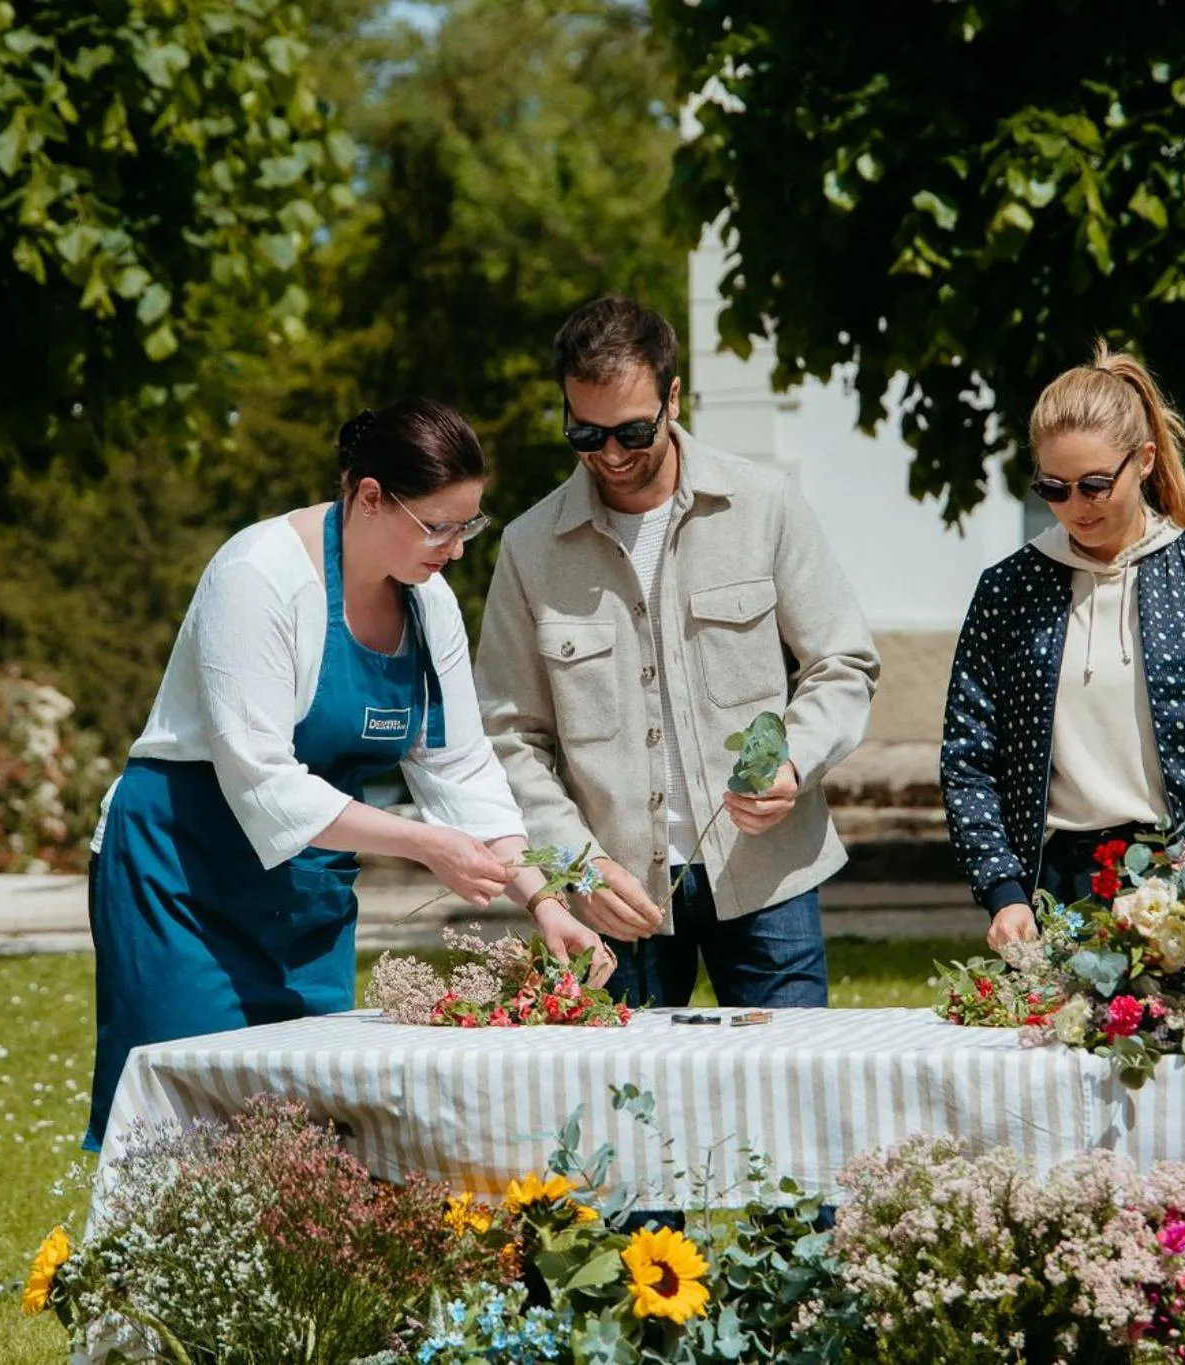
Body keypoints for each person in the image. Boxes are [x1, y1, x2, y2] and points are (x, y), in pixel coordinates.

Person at [85, 399, 610, 1145]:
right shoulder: (258, 575)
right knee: (185, 1130)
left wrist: (544, 902)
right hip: (183, 874)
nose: (457, 549)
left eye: (470, 524)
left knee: (314, 1130)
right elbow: (262, 780)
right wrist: (425, 845)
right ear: (369, 496)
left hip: (304, 890)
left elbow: (463, 774)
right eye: (439, 525)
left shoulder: (429, 605)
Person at [476, 295, 879, 1009]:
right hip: (615, 896)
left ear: (673, 396)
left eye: (633, 430)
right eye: (585, 432)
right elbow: (510, 735)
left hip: (767, 879)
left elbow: (842, 662)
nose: (610, 454)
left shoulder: (765, 504)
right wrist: (578, 863)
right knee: (621, 1113)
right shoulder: (528, 548)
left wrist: (794, 759)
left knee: (784, 1102)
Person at [941, 343, 1185, 952]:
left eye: (1095, 485)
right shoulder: (1009, 589)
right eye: (1052, 488)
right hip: (1055, 883)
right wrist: (1003, 890)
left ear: (1145, 462)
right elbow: (969, 757)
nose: (1075, 507)